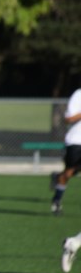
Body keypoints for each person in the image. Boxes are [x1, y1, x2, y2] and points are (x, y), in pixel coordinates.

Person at [50, 86, 81, 216]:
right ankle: (57, 199)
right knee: (68, 173)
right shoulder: (78, 95)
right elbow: (68, 119)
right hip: (77, 141)